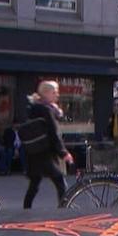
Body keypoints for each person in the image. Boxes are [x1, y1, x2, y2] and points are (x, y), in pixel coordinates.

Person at [23, 80, 74, 209]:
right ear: (45, 93)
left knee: (34, 183)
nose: (57, 95)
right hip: (46, 153)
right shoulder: (47, 110)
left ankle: (26, 209)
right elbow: (53, 133)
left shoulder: (33, 108)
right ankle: (64, 209)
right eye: (54, 92)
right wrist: (63, 153)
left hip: (33, 152)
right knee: (60, 181)